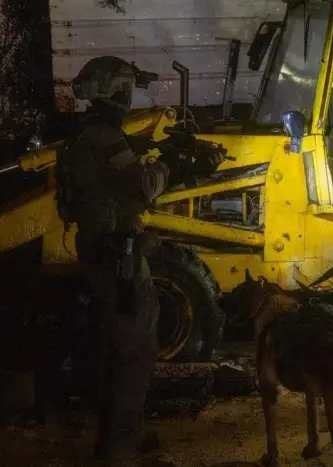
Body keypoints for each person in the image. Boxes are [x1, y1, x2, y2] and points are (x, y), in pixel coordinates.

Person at [57, 57, 223, 461]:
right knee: (134, 351)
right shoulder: (104, 138)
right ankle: (121, 446)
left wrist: (156, 152)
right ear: (113, 90)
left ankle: (121, 433)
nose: (130, 96)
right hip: (120, 258)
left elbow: (118, 180)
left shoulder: (88, 136)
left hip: (105, 251)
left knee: (117, 347)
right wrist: (175, 163)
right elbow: (144, 186)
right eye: (126, 88)